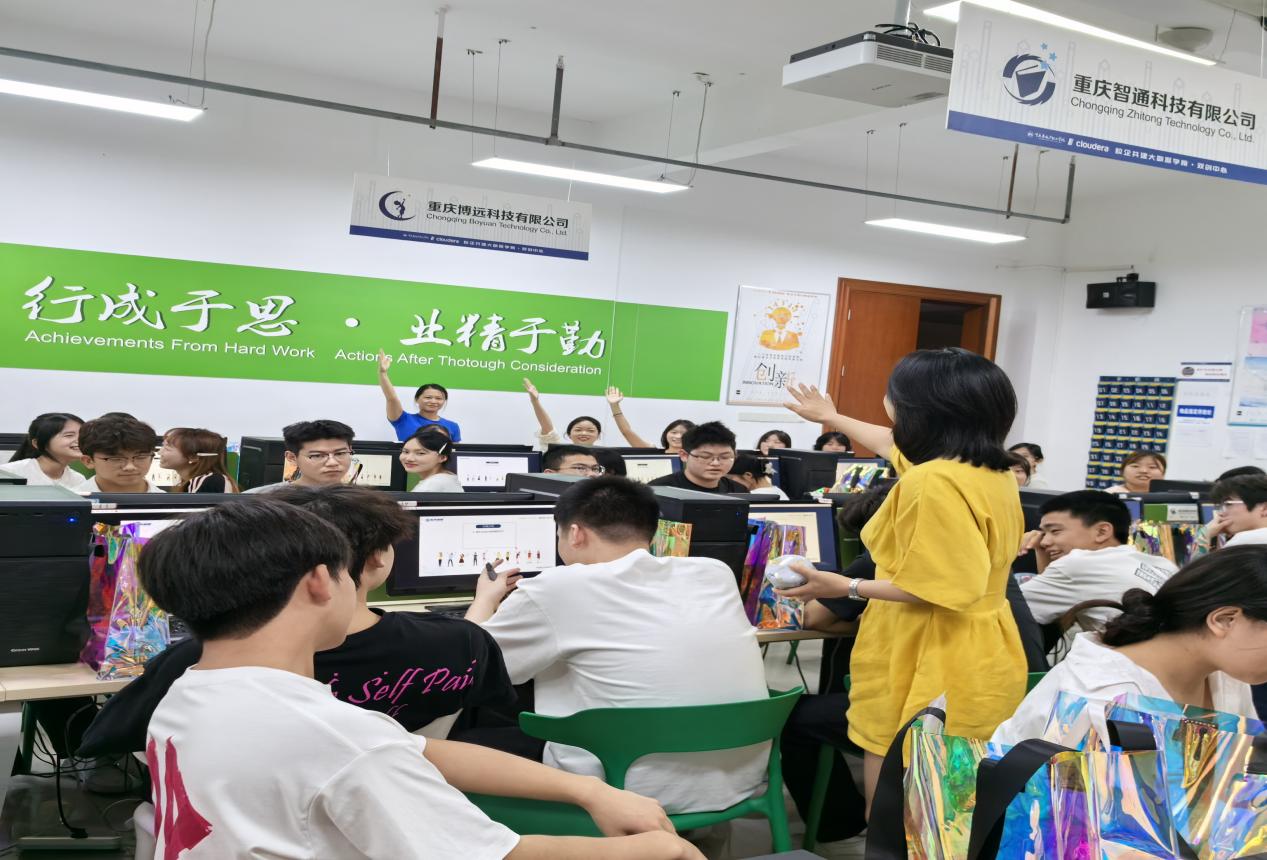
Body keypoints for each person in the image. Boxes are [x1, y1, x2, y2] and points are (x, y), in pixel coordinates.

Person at [134, 496, 702, 859]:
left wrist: (587, 789)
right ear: (320, 583)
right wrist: (664, 851)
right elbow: (496, 855)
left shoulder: (189, 693)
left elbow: (414, 749)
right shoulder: (337, 738)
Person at [81, 484, 515, 755]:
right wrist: (482, 604)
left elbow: (107, 739)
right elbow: (490, 727)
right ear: (379, 559)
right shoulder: (463, 643)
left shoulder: (207, 660)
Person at [781, 347, 1026, 810]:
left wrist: (846, 587)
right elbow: (889, 443)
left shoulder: (931, 482)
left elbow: (945, 588)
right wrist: (832, 417)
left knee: (901, 818)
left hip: (929, 654)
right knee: (951, 813)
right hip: (982, 651)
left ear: (915, 410)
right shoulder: (989, 473)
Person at [465, 478, 769, 814]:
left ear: (575, 533)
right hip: (737, 779)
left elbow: (470, 664)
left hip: (621, 788)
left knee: (462, 742)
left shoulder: (556, 586)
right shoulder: (714, 573)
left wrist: (485, 598)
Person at [992, 547, 1267, 745]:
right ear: (1224, 620)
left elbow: (1237, 777)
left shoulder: (1221, 670)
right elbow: (1071, 808)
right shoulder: (1101, 699)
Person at [1017, 491, 1176, 634]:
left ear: (1102, 532)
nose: (1044, 542)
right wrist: (1041, 552)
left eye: (1055, 531)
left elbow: (1009, 607)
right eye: (1044, 533)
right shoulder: (1162, 564)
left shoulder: (1078, 564)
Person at [244, 420, 356, 494]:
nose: (332, 463)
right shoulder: (259, 499)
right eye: (317, 455)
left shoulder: (362, 500)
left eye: (340, 453)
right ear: (292, 458)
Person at [377, 350, 461, 442]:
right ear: (417, 399)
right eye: (428, 397)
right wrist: (383, 373)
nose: (433, 401)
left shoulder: (453, 426)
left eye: (439, 398)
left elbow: (454, 450)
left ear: (444, 401)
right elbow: (391, 398)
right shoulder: (403, 419)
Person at [648, 422, 746, 494]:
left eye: (724, 457)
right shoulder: (658, 489)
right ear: (684, 455)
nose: (715, 463)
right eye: (705, 456)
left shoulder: (738, 491)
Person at [78, 415, 164, 493]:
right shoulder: (73, 500)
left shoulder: (167, 503)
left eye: (140, 457)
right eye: (116, 459)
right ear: (88, 461)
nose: (130, 467)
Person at [4, 412, 86, 488]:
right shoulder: (9, 473)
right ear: (37, 443)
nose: (80, 439)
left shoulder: (78, 480)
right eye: (69, 435)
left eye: (82, 434)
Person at [522, 378, 602, 449]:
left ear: (598, 435)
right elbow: (548, 432)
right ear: (569, 434)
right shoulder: (558, 452)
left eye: (590, 430)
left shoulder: (605, 455)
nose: (583, 433)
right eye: (578, 430)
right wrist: (535, 401)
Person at [159, 428, 239, 493]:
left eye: (167, 449)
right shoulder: (201, 481)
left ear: (193, 457)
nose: (160, 452)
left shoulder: (210, 482)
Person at [1205, 474, 1267, 549]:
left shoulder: (1244, 541)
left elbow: (1196, 557)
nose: (1221, 513)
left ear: (1265, 509)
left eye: (1228, 504)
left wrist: (1205, 534)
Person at [401, 426, 464, 493]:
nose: (409, 458)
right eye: (406, 452)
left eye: (420, 453)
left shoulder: (429, 488)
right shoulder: (448, 478)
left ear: (442, 457)